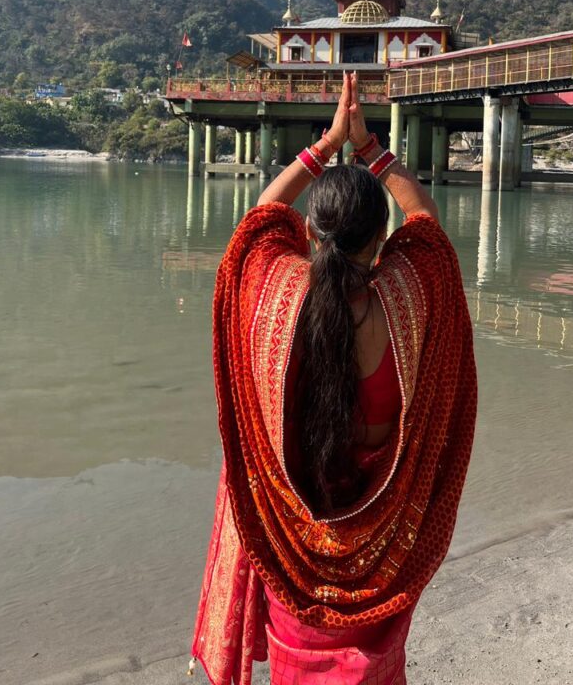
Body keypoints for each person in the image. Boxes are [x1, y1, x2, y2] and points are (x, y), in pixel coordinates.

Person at [190, 72, 477, 685]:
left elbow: (259, 221)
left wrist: (323, 147)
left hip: (298, 535)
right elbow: (426, 225)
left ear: (310, 233)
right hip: (385, 544)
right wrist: (369, 148)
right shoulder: (409, 298)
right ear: (381, 239)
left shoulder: (276, 297)